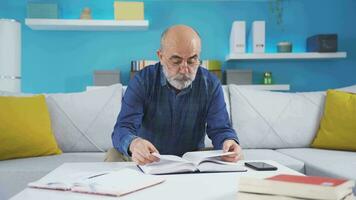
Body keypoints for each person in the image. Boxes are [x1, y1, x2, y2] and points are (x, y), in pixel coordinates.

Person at [108, 25, 243, 165]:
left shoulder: (211, 84)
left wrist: (229, 141)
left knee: (234, 156)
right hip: (147, 157)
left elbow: (220, 129)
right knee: (113, 155)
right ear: (161, 56)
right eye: (176, 61)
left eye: (192, 60)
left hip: (190, 157)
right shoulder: (142, 81)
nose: (184, 69)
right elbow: (123, 127)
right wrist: (134, 144)